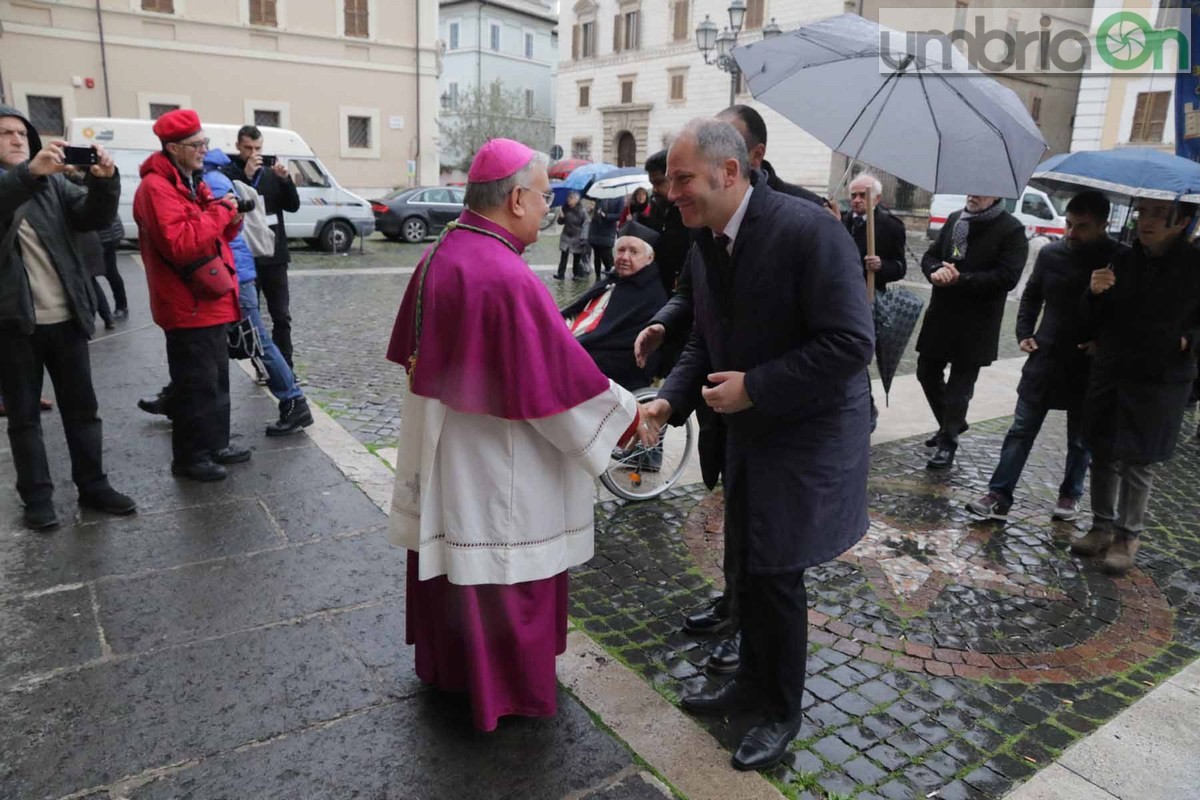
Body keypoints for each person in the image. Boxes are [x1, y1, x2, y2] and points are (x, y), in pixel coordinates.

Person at [639, 119, 874, 772]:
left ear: (730, 173)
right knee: (747, 558)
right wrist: (669, 400)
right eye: (670, 181)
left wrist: (757, 387)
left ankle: (778, 709)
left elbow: (852, 344)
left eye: (683, 180)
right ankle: (748, 683)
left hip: (807, 431)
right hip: (751, 428)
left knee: (777, 574)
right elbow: (703, 340)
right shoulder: (706, 240)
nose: (671, 192)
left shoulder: (810, 231)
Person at [385, 138, 642, 732]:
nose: (551, 208)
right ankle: (506, 691)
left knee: (457, 562)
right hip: (496, 458)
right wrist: (629, 417)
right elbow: (558, 387)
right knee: (504, 562)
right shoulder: (505, 275)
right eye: (546, 196)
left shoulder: (443, 251)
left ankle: (453, 673)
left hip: (451, 446)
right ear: (517, 197)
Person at [0, 103, 136, 530]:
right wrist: (30, 175)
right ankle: (37, 498)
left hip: (67, 317)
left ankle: (93, 486)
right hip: (13, 324)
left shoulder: (53, 186)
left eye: (22, 132)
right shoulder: (24, 182)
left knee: (83, 410)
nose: (18, 139)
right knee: (24, 418)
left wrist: (104, 182)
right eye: (5, 133)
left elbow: (93, 217)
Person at [967, 192, 1119, 522]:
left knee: (1080, 439)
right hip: (1046, 355)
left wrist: (1104, 341)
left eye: (1082, 227)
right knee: (1021, 429)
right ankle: (998, 493)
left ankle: (1070, 494)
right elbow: (1032, 295)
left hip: (1088, 364)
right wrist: (1024, 333)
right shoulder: (1051, 254)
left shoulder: (1119, 259)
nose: (1072, 233)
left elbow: (1126, 315)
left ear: (1104, 224)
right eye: (1068, 224)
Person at [1070, 197, 1200, 575]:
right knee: (1102, 450)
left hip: (1159, 378)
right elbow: (1091, 321)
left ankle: (1128, 537)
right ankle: (1100, 526)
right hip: (1112, 370)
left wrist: (1188, 341)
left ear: (1183, 220)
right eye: (1143, 212)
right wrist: (1093, 293)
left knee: (1139, 460)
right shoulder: (1121, 260)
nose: (1148, 221)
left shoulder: (1194, 266)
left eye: (1160, 213)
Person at [134, 109, 250, 482]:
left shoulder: (186, 180)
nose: (203, 150)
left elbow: (212, 237)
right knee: (194, 385)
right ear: (172, 148)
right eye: (196, 145)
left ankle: (214, 444)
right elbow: (181, 244)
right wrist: (219, 215)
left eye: (204, 143)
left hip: (209, 299)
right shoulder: (156, 188)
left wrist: (230, 220)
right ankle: (190, 456)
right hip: (187, 304)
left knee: (216, 380)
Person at [202, 148, 313, 436]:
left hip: (236, 274)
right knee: (216, 343)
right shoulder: (218, 178)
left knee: (259, 340)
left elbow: (291, 205)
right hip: (235, 272)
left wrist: (285, 180)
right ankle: (178, 397)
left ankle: (292, 399)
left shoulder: (212, 181)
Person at [917, 194, 1028, 470]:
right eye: (971, 187)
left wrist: (961, 279)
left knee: (959, 388)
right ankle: (952, 423)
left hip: (977, 324)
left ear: (996, 195)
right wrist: (934, 270)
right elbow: (931, 255)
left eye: (981, 189)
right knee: (925, 372)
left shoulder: (1012, 229)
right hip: (941, 315)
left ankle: (947, 444)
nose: (973, 193)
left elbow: (1007, 277)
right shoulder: (956, 219)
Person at [221, 125, 301, 367]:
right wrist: (245, 176)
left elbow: (293, 205)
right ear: (238, 147)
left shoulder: (270, 173)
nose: (253, 152)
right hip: (245, 257)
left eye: (258, 148)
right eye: (248, 148)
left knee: (281, 315)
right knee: (251, 316)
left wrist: (285, 181)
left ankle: (286, 365)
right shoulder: (227, 173)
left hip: (274, 255)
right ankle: (260, 364)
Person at [562, 221, 667, 390]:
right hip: (576, 340)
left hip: (612, 366)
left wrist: (570, 346)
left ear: (650, 258)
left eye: (634, 252)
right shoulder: (611, 281)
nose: (625, 257)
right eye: (621, 250)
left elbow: (618, 342)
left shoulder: (651, 295)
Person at [843, 172, 908, 431]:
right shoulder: (841, 221)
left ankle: (867, 409)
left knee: (859, 357)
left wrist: (881, 266)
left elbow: (900, 267)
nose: (857, 201)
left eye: (863, 195)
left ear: (877, 198)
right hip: (840, 297)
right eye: (854, 196)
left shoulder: (891, 226)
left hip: (867, 300)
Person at [554, 191, 588, 280]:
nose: (569, 200)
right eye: (568, 198)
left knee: (577, 258)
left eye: (571, 198)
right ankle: (560, 274)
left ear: (577, 200)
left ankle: (576, 274)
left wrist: (584, 237)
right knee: (563, 256)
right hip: (566, 235)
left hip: (577, 237)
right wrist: (561, 217)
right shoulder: (565, 208)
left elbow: (586, 224)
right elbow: (560, 222)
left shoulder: (582, 211)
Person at [586, 195, 621, 279]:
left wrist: (606, 216)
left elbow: (619, 215)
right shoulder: (600, 196)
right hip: (596, 230)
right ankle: (597, 278)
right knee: (597, 256)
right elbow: (595, 212)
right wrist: (592, 210)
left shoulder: (619, 198)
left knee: (607, 257)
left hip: (608, 232)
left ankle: (610, 277)